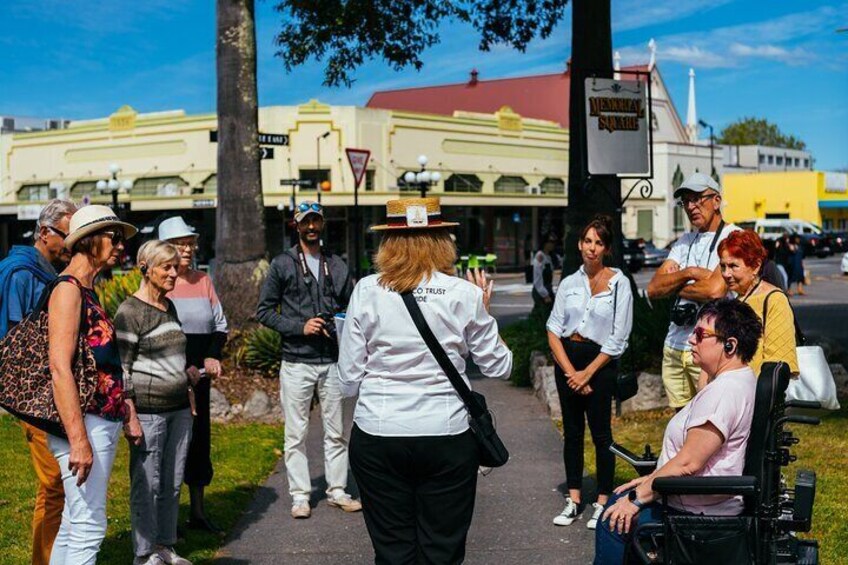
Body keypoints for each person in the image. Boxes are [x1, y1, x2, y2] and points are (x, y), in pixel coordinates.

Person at [337, 197, 513, 564]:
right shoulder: (464, 294)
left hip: (379, 431)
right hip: (445, 432)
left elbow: (349, 378)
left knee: (392, 550)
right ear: (442, 241)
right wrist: (486, 312)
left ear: (388, 242)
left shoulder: (366, 291)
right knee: (442, 550)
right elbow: (500, 366)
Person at [593, 298, 763, 564]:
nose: (691, 340)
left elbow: (688, 463)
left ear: (730, 345)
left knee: (612, 521)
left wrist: (638, 499)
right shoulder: (736, 380)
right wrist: (650, 480)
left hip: (696, 511)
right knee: (619, 499)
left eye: (700, 334)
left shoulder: (724, 392)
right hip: (694, 499)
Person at [46, 205, 137, 565]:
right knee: (89, 524)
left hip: (97, 418)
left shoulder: (86, 289)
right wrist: (78, 439)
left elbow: (101, 365)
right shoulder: (68, 291)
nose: (120, 247)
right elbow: (59, 367)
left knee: (74, 521)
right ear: (88, 241)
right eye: (113, 238)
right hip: (84, 422)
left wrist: (125, 408)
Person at [255, 200, 358, 519]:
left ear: (323, 224)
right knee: (295, 433)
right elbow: (264, 312)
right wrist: (300, 327)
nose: (311, 227)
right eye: (305, 222)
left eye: (316, 221)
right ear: (295, 226)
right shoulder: (283, 264)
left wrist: (335, 323)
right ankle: (300, 495)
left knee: (337, 430)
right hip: (296, 360)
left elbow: (352, 307)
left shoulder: (336, 264)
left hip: (330, 360)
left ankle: (337, 489)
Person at [0, 199, 76, 565]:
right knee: (53, 486)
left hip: (47, 392)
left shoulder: (38, 271)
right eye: (67, 234)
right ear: (44, 233)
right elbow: (18, 344)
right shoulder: (22, 274)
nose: (71, 243)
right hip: (34, 395)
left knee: (57, 485)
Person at [547, 215, 633, 530]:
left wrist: (587, 374)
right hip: (567, 361)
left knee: (601, 436)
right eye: (587, 241)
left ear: (606, 248)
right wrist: (571, 372)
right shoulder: (569, 282)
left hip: (601, 363)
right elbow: (553, 329)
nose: (591, 248)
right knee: (572, 434)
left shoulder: (619, 283)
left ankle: (601, 500)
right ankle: (573, 499)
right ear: (580, 244)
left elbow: (619, 337)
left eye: (598, 243)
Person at [115, 240, 195, 565]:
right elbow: (123, 371)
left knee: (172, 482)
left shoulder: (169, 306)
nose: (174, 273)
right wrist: (130, 415)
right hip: (148, 413)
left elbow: (175, 353)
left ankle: (164, 546)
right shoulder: (129, 312)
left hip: (178, 409)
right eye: (167, 267)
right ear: (146, 268)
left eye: (175, 266)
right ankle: (144, 553)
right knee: (147, 485)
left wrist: (187, 378)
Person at [158, 216, 228, 533]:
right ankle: (167, 517)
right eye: (180, 243)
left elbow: (220, 325)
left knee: (199, 442)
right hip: (169, 379)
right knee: (170, 445)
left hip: (198, 378)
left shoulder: (203, 281)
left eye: (190, 243)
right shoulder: (160, 286)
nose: (187, 249)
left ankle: (197, 512)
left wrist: (213, 354)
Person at [646, 173, 739, 410]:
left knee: (710, 420)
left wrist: (674, 285)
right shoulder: (684, 241)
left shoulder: (733, 237)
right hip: (674, 344)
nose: (691, 206)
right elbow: (654, 289)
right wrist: (690, 273)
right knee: (681, 422)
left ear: (716, 201)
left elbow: (714, 290)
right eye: (686, 201)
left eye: (698, 198)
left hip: (711, 345)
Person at [718, 230, 799, 377]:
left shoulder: (774, 300)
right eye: (723, 266)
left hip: (757, 396)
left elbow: (777, 367)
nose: (725, 274)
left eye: (733, 266)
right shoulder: (737, 300)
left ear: (755, 266)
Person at [531, 235, 557, 318]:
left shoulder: (549, 256)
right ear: (545, 244)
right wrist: (545, 294)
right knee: (542, 315)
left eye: (553, 243)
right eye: (550, 242)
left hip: (548, 288)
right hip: (541, 290)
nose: (552, 245)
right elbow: (538, 278)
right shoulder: (540, 256)